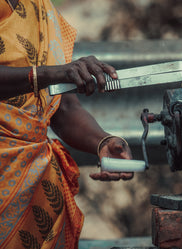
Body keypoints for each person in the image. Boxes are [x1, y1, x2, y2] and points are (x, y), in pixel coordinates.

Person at [0, 0, 134, 248]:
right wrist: (50, 73)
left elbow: (63, 107)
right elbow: (48, 76)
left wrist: (102, 141)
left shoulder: (38, 7)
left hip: (35, 191)